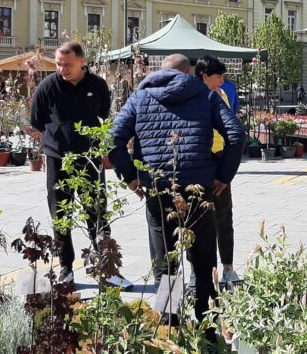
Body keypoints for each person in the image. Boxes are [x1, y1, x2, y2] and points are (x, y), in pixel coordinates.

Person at [108, 53, 244, 326]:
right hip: (199, 191)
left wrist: (132, 178)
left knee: (164, 263)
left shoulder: (139, 97)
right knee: (204, 263)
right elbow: (237, 133)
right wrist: (223, 176)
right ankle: (207, 328)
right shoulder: (206, 96)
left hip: (159, 191)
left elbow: (114, 138)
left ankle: (168, 326)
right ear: (188, 72)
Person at [29, 41, 112, 284]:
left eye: (68, 64)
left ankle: (103, 262)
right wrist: (57, 138)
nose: (62, 69)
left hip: (89, 158)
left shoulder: (98, 85)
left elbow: (103, 114)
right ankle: (66, 266)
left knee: (96, 210)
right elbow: (37, 120)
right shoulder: (47, 87)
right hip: (58, 159)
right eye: (58, 64)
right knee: (60, 212)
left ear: (82, 62)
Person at [195, 55, 241, 285]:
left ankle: (228, 268)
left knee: (224, 216)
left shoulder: (220, 94)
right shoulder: (191, 96)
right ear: (204, 76)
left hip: (219, 158)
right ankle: (196, 271)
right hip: (197, 161)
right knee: (195, 218)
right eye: (218, 77)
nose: (222, 81)